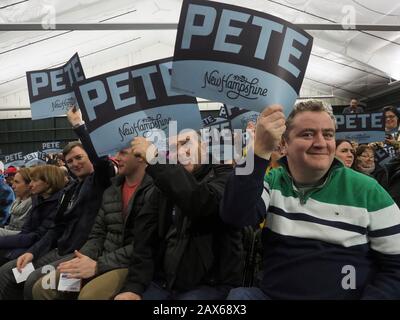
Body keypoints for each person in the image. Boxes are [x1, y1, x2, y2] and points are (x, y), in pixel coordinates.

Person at [222, 100, 400, 299]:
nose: (321, 143)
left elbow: (396, 266)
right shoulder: (272, 182)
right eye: (307, 134)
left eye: (328, 134)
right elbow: (236, 216)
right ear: (284, 144)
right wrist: (258, 151)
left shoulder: (367, 190)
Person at [0, 107, 115, 300]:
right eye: (69, 161)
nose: (74, 163)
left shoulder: (99, 182)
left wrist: (79, 125)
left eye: (79, 158)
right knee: (8, 273)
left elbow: (102, 162)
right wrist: (31, 253)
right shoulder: (69, 191)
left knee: (34, 283)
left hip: (78, 254)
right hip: (57, 250)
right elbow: (56, 228)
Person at [114, 131, 243, 300]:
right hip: (162, 283)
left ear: (203, 146)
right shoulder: (161, 188)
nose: (181, 152)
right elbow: (144, 244)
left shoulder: (225, 178)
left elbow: (202, 203)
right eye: (173, 148)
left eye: (186, 143)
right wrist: (133, 287)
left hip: (210, 286)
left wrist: (155, 159)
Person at [31, 145, 153, 300]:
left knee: (89, 296)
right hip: (96, 256)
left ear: (141, 156)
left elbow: (144, 244)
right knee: (42, 288)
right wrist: (83, 258)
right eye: (69, 161)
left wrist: (98, 265)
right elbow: (97, 233)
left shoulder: (153, 189)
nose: (116, 158)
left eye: (123, 153)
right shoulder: (111, 189)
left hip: (130, 264)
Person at [0, 165, 65, 265]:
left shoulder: (58, 204)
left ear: (47, 182)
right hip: (27, 244)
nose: (31, 185)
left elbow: (36, 236)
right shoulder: (38, 201)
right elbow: (26, 231)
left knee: (6, 272)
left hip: (40, 249)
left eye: (34, 180)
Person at [0, 168, 33, 237]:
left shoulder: (34, 205)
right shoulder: (17, 201)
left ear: (29, 184)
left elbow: (26, 235)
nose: (13, 186)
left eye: (17, 182)